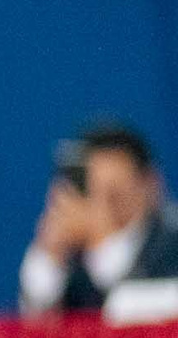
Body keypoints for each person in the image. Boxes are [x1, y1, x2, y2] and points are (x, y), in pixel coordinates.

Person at [21, 123, 178, 314]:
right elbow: (38, 320)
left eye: (114, 194)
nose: (100, 208)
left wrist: (102, 243)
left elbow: (135, 309)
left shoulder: (171, 241)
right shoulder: (76, 260)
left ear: (151, 184)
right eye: (91, 193)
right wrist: (51, 252)